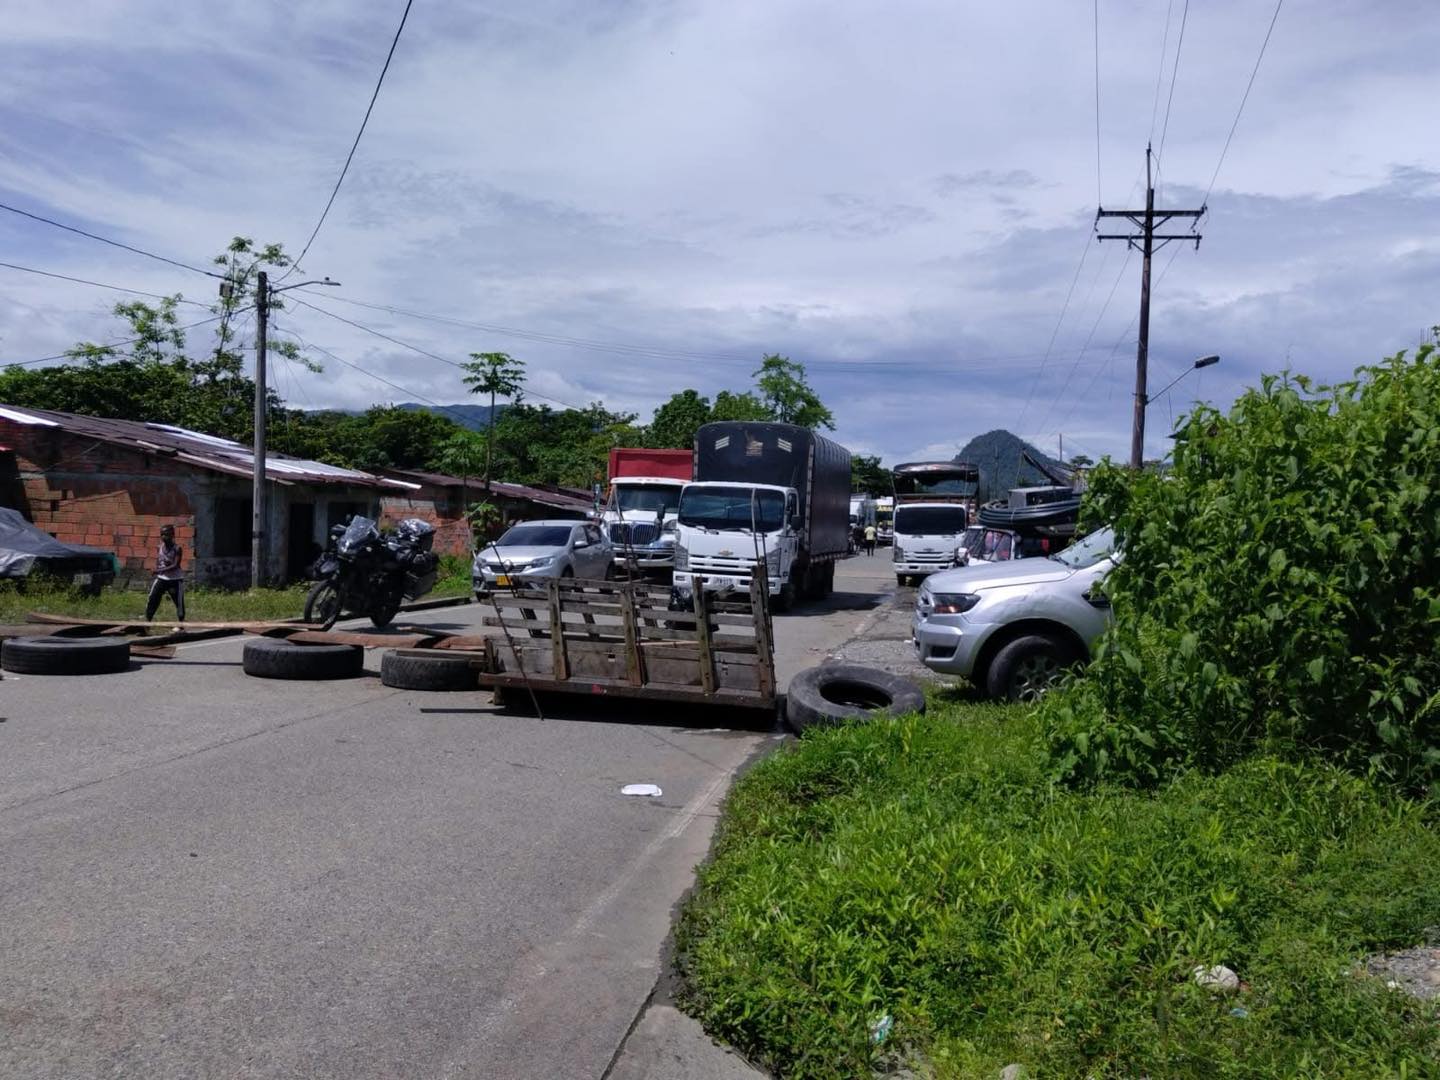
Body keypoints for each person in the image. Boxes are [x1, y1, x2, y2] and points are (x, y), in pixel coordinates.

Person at [145, 524, 186, 624]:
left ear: (172, 535)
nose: (164, 537)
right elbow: (159, 561)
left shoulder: (177, 548)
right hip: (162, 578)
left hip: (175, 580)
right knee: (153, 598)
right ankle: (146, 623)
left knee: (179, 603)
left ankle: (181, 625)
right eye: (162, 534)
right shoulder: (160, 547)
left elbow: (175, 565)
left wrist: (158, 570)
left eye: (166, 534)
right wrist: (157, 569)